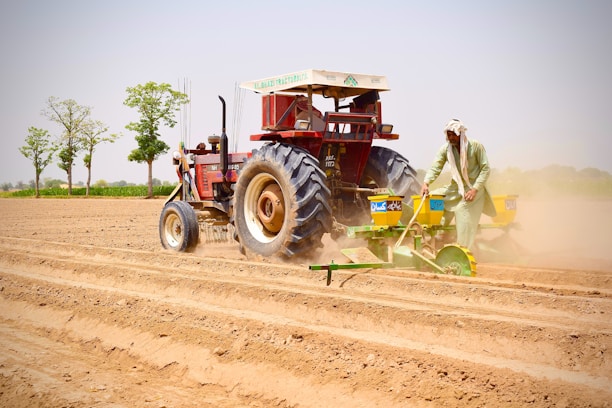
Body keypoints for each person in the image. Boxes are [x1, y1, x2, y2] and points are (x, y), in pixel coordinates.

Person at [420, 119, 496, 250]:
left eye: (453, 134)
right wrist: (426, 183)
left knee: (462, 210)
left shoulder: (476, 146)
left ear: (461, 134)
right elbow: (435, 167)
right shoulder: (446, 149)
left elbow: (485, 169)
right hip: (456, 188)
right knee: (432, 198)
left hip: (474, 189)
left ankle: (463, 248)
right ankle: (440, 234)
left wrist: (475, 189)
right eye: (448, 135)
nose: (450, 138)